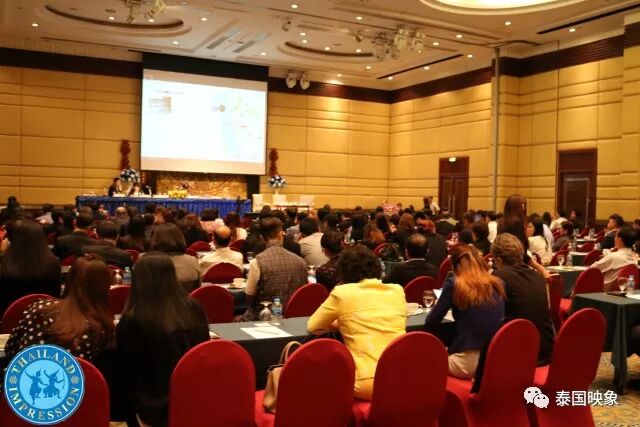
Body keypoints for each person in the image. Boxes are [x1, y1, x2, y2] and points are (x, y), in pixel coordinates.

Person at [116, 252, 209, 427]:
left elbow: (127, 372)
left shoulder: (133, 319)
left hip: (152, 407)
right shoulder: (194, 308)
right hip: (194, 398)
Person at [308, 245, 406, 400]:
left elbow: (314, 326)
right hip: (402, 378)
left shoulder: (342, 293)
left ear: (344, 272)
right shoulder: (397, 290)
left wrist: (342, 324)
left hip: (367, 383)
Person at [5, 256, 114, 361]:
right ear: (104, 289)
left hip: (22, 373)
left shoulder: (39, 309)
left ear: (69, 280)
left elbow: (10, 349)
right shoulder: (101, 330)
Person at [424, 244, 505, 379]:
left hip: (469, 363)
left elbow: (431, 322)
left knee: (420, 359)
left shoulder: (454, 283)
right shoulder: (498, 283)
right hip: (495, 360)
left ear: (454, 267)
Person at [491, 233, 555, 365]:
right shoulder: (537, 276)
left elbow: (490, 314)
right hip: (547, 349)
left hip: (520, 355)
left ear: (499, 260)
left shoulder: (498, 276)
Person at [243, 217, 307, 321]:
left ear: (262, 238)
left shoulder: (257, 262)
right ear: (281, 235)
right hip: (295, 318)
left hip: (264, 318)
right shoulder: (301, 261)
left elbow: (249, 295)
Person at [0, 220, 62, 315]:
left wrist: (2, 253)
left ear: (12, 240)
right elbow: (55, 295)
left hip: (7, 318)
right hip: (44, 315)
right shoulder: (54, 263)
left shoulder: (4, 265)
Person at [499, 194, 548, 278]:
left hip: (502, 268)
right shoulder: (516, 223)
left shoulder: (501, 222)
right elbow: (521, 253)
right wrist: (541, 269)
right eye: (523, 205)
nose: (525, 208)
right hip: (515, 271)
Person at [149, 223, 200, 292]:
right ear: (180, 238)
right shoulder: (193, 260)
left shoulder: (145, 262)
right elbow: (198, 288)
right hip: (186, 298)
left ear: (155, 240)